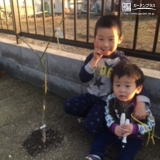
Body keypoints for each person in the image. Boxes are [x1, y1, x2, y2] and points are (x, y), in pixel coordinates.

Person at [62, 15, 150, 159]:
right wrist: (94, 61)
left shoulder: (120, 61)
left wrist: (141, 104)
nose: (105, 44)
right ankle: (91, 114)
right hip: (90, 95)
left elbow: (136, 84)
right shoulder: (92, 56)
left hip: (106, 101)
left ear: (120, 39)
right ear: (94, 39)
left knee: (90, 126)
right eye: (101, 39)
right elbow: (83, 78)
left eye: (111, 39)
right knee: (67, 106)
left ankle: (107, 127)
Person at [87, 61, 155, 160]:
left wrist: (134, 128)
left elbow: (150, 124)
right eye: (117, 85)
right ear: (112, 85)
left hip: (133, 137)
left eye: (127, 86)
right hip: (116, 132)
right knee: (100, 137)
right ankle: (94, 155)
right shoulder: (111, 99)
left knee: (127, 155)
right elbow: (108, 115)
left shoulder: (139, 106)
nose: (122, 90)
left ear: (138, 89)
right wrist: (114, 127)